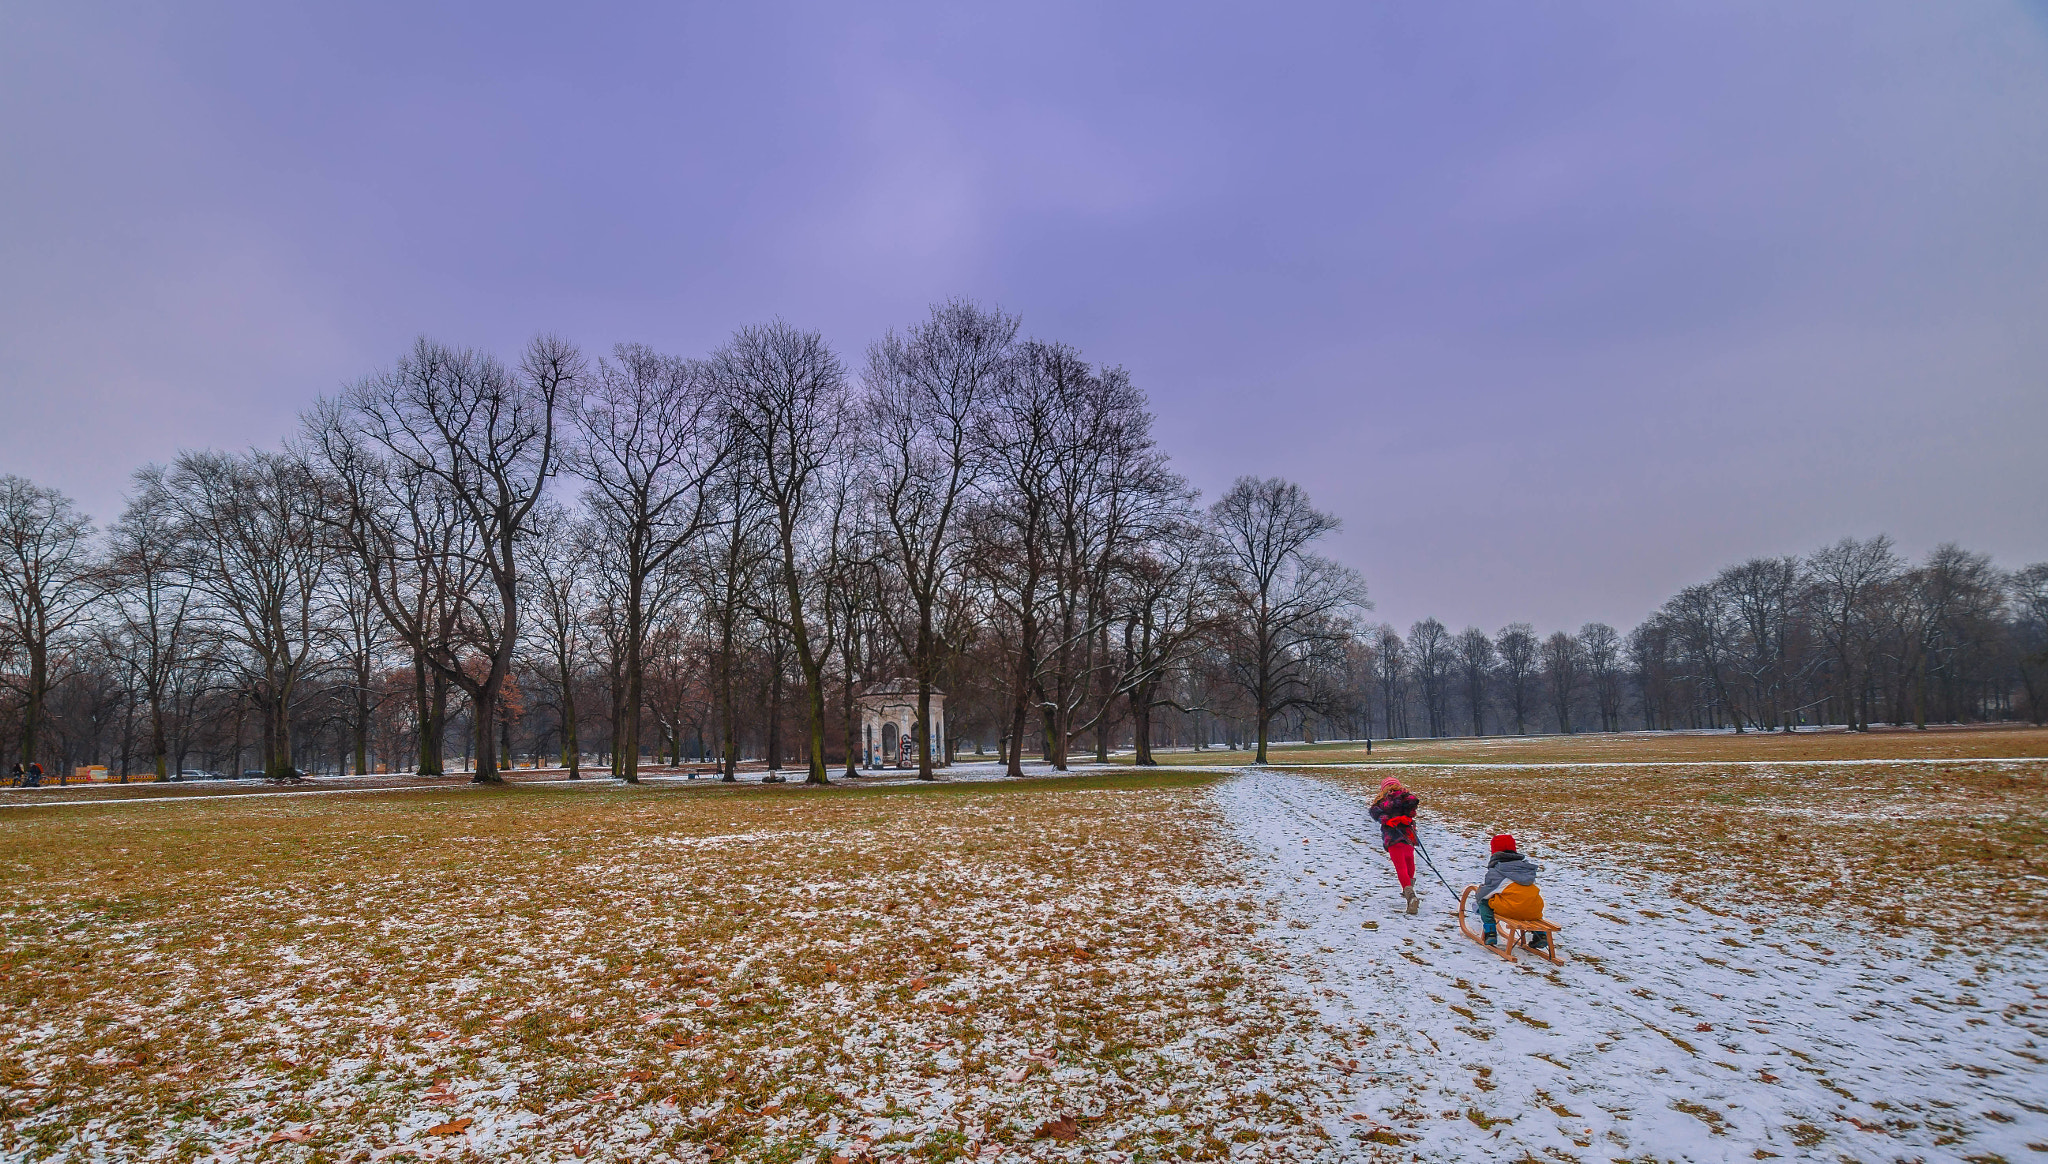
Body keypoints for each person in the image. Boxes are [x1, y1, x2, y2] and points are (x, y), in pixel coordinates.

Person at [1477, 833, 1547, 949]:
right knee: (1529, 902)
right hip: (1535, 910)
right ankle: (1540, 935)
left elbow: (1486, 892)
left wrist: (1478, 894)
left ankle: (1490, 932)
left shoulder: (1497, 870)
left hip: (1511, 909)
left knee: (1484, 901)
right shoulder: (1526, 868)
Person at [1368, 775, 1421, 914]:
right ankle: (1409, 888)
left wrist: (1388, 819)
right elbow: (1413, 808)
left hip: (1393, 838)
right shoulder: (1405, 797)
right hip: (1408, 836)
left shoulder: (1382, 801)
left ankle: (1409, 894)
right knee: (1410, 862)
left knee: (1401, 867)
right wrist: (1405, 817)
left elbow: (1376, 813)